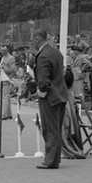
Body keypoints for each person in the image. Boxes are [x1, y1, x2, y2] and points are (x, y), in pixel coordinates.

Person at [31, 29, 68, 169]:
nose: (31, 44)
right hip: (61, 94)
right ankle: (55, 158)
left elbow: (43, 80)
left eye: (31, 41)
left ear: (36, 40)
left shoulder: (42, 56)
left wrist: (41, 92)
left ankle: (50, 161)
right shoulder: (56, 52)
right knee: (56, 129)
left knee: (49, 129)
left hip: (50, 97)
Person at [61, 65, 86, 160]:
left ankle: (67, 149)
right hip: (71, 113)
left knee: (65, 126)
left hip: (66, 112)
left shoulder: (65, 92)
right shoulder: (69, 92)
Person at [0, 45, 17, 119]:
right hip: (2, 78)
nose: (3, 52)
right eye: (1, 50)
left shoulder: (11, 58)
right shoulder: (3, 57)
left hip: (7, 79)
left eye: (4, 50)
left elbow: (12, 70)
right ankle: (9, 114)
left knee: (4, 97)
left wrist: (3, 67)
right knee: (7, 97)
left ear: (8, 50)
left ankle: (4, 114)